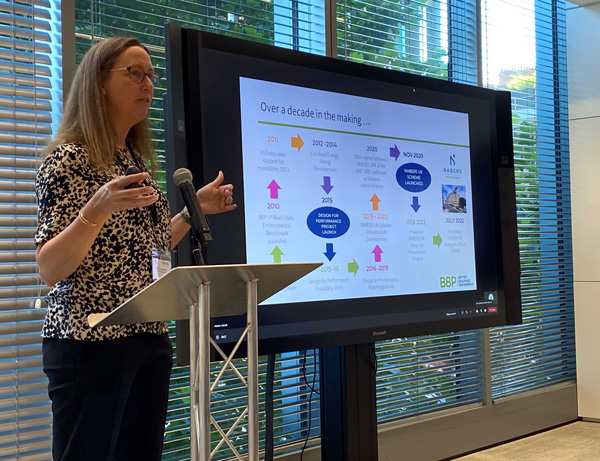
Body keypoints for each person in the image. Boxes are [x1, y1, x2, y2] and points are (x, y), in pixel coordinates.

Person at [34, 37, 236, 460]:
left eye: (151, 76)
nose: (148, 84)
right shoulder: (70, 160)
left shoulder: (131, 161)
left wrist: (192, 212)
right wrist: (96, 209)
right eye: (135, 73)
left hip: (146, 336)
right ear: (99, 83)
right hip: (91, 341)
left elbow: (148, 248)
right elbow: (50, 268)